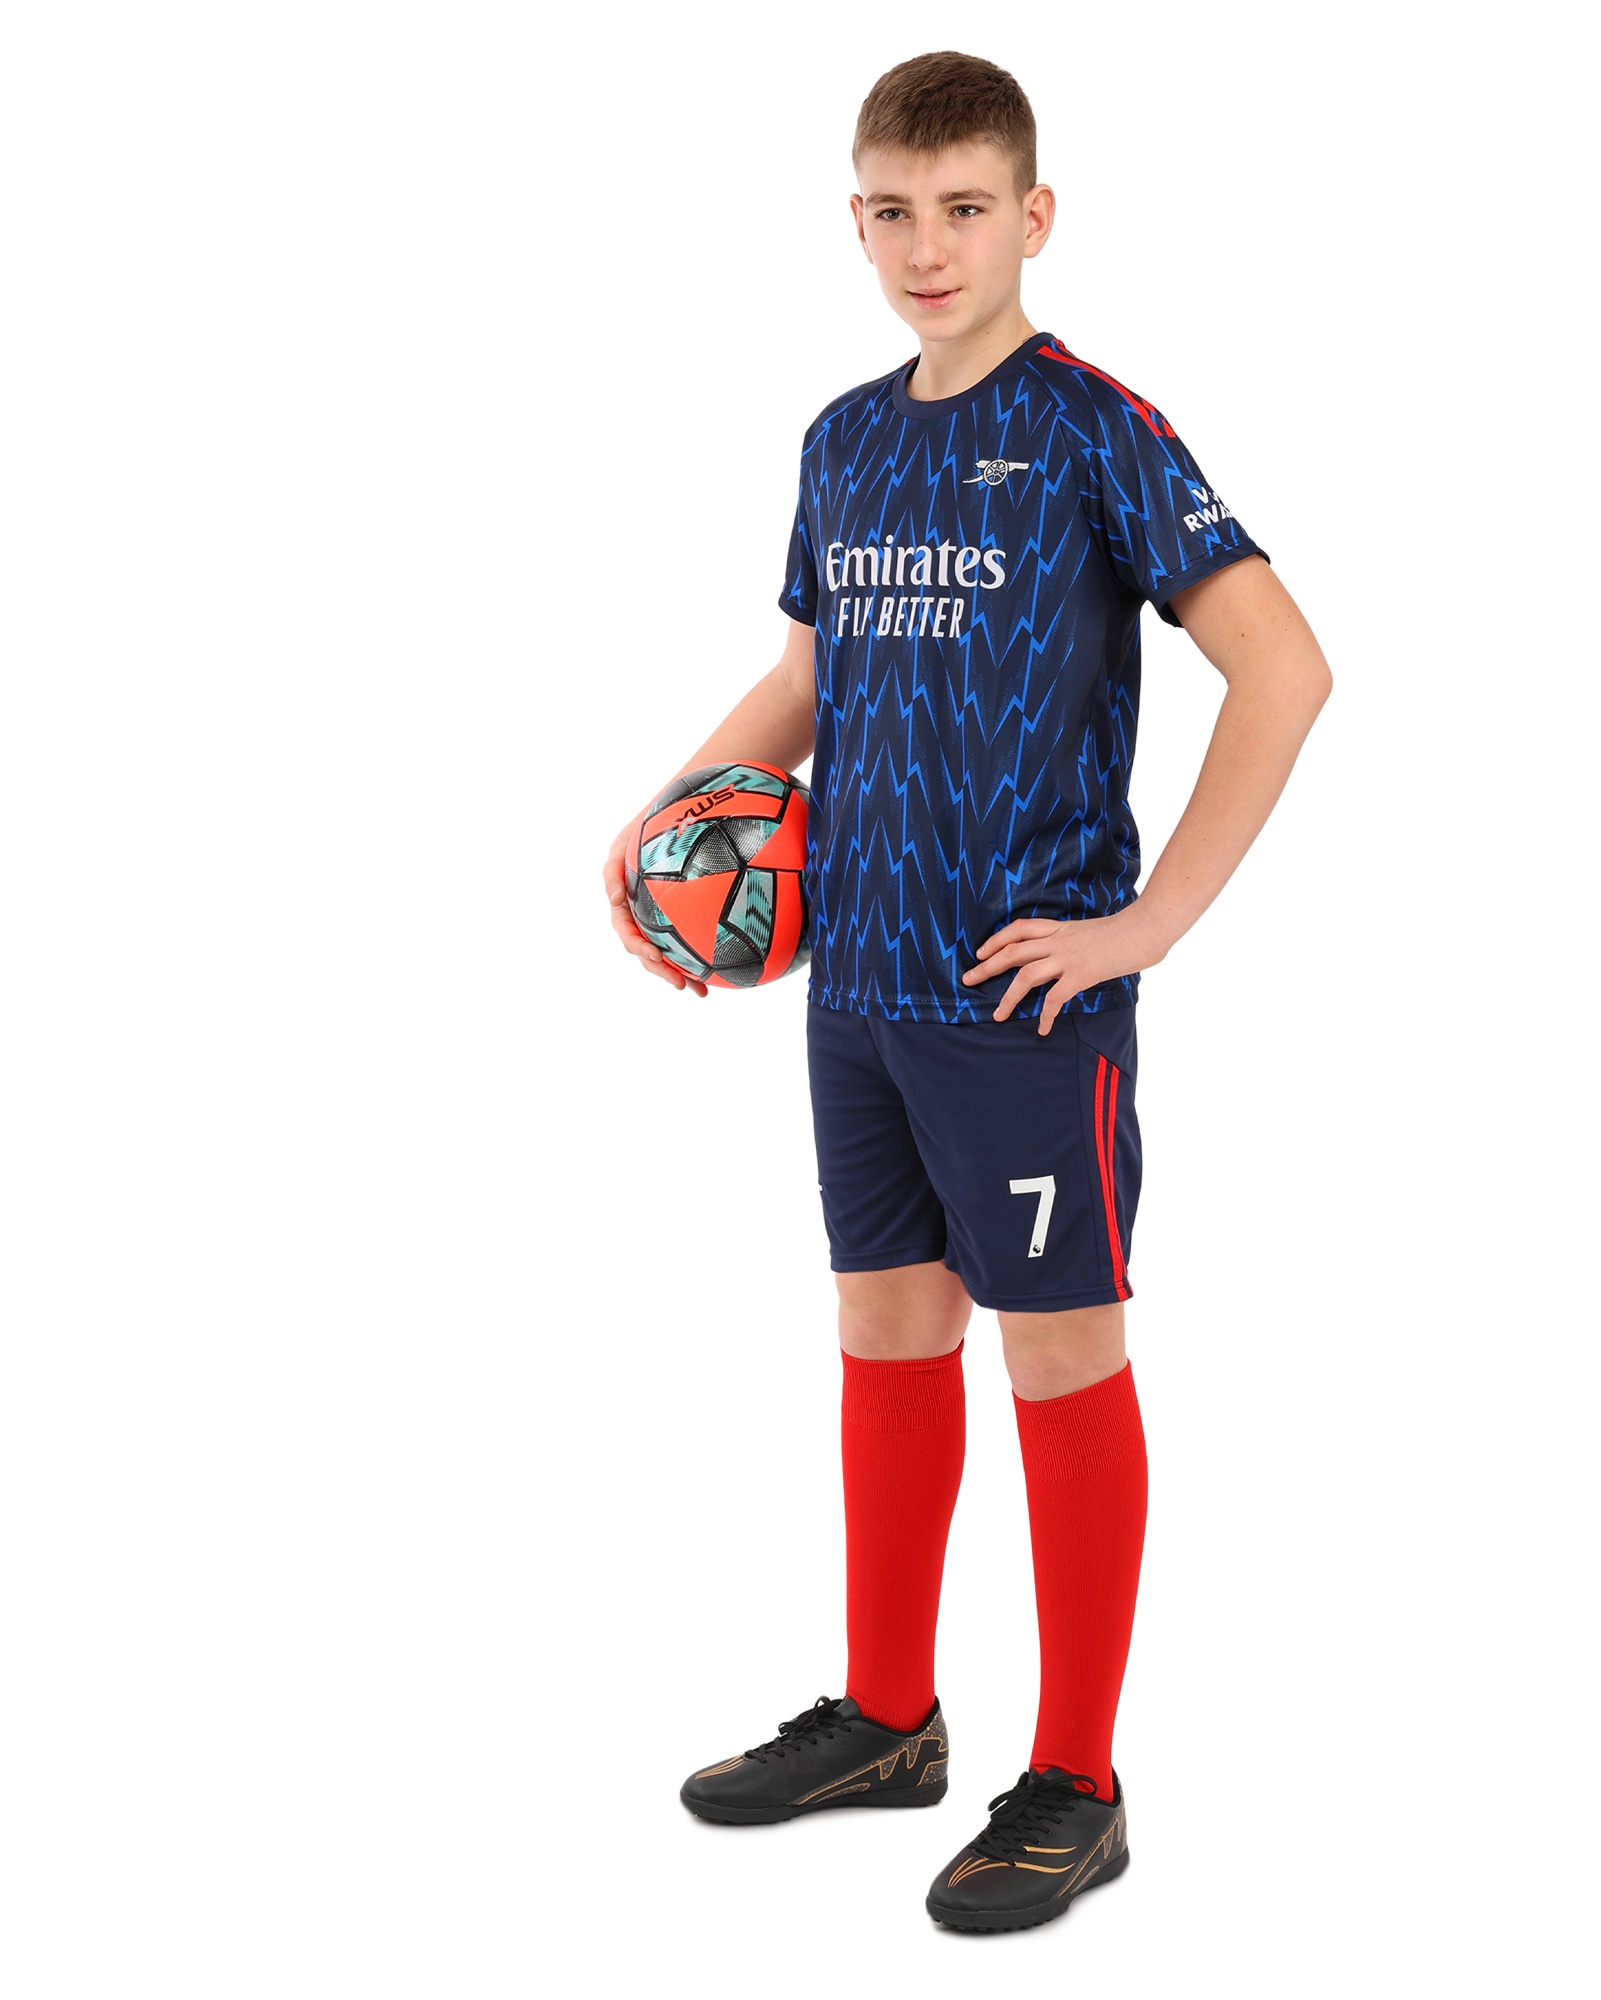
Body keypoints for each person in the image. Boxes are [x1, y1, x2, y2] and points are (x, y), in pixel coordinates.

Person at [603, 50, 1331, 1932]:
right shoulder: (843, 439)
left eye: (965, 209)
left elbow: (1286, 667)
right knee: (884, 1327)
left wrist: (1148, 925)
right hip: (858, 978)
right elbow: (806, 680)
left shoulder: (1096, 428)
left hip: (1023, 1001)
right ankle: (888, 1716)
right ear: (855, 222)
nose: (928, 247)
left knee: (1058, 1353)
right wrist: (665, 823)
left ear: (1034, 217)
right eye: (893, 212)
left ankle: (1078, 1779)